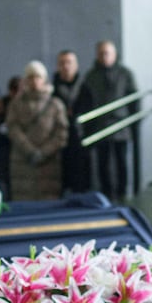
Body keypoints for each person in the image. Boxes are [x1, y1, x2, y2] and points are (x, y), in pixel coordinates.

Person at [76, 40, 137, 201]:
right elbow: (85, 102)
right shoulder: (91, 76)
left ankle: (123, 194)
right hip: (100, 127)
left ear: (114, 54)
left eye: (108, 53)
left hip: (121, 126)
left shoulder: (125, 74)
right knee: (103, 163)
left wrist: (131, 122)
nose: (105, 56)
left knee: (121, 162)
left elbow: (133, 99)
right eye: (101, 53)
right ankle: (106, 195)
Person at [5, 60, 69, 202]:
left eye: (38, 77)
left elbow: (61, 133)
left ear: (44, 79)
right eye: (30, 77)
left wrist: (44, 152)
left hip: (49, 163)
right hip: (22, 162)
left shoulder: (55, 104)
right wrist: (28, 150)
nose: (34, 81)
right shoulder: (16, 104)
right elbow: (12, 128)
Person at [52, 49, 91, 194]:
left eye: (69, 62)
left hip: (81, 140)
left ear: (76, 65)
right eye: (62, 63)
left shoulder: (85, 88)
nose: (66, 66)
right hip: (59, 142)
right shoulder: (52, 89)